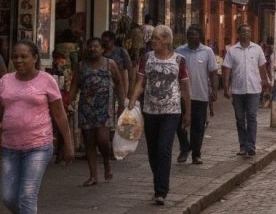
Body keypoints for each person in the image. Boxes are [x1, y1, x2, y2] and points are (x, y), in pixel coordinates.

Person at [0, 40, 74, 212]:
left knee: (27, 196)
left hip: (38, 146)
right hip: (10, 147)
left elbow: (59, 114)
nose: (19, 60)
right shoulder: (6, 81)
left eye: (24, 56)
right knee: (8, 197)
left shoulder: (47, 81)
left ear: (35, 58)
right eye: (15, 57)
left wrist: (68, 144)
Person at [127, 25, 191, 206]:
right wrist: (133, 99)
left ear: (166, 41)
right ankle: (159, 179)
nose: (153, 41)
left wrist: (188, 113)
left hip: (171, 112)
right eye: (152, 38)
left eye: (156, 38)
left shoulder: (179, 60)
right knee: (153, 151)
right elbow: (141, 82)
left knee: (164, 149)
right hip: (150, 110)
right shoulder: (146, 58)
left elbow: (186, 87)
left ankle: (161, 191)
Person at [68, 37, 125, 187]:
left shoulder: (110, 64)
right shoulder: (81, 66)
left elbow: (118, 83)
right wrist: (69, 102)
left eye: (96, 46)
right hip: (86, 108)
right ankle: (93, 175)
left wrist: (122, 103)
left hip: (104, 109)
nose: (93, 49)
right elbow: (74, 85)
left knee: (103, 140)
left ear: (102, 49)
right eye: (90, 47)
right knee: (89, 142)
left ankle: (106, 162)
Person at [223, 24, 271, 157]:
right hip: (237, 90)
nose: (246, 33)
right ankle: (243, 145)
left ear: (251, 34)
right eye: (243, 31)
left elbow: (262, 67)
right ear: (238, 34)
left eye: (248, 31)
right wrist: (226, 87)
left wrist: (266, 81)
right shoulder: (232, 50)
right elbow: (227, 69)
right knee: (239, 118)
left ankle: (251, 145)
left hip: (254, 89)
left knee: (251, 117)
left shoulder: (257, 49)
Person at [175, 26, 218, 164]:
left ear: (200, 36)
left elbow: (213, 73)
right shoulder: (179, 52)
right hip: (181, 96)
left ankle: (196, 154)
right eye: (189, 34)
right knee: (179, 123)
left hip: (201, 95)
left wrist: (214, 90)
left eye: (194, 34)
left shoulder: (207, 52)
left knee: (198, 126)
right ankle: (184, 147)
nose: (192, 37)